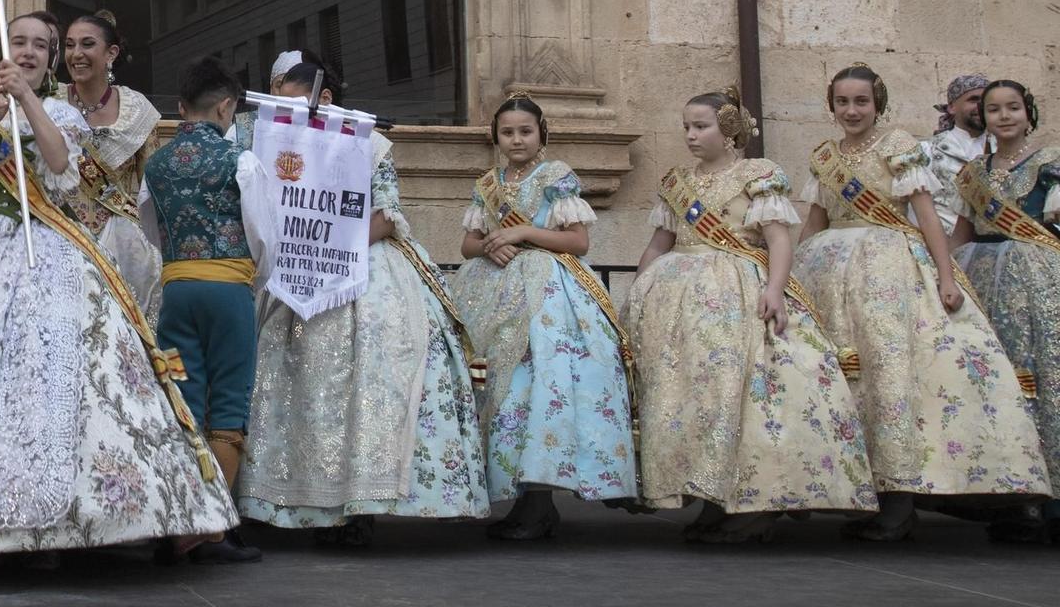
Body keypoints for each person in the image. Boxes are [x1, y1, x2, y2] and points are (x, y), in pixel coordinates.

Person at [0, 40, 234, 566]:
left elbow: (61, 169)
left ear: (50, 60)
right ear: (0, 51)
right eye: (18, 42)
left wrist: (27, 102)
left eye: (41, 44)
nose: (29, 51)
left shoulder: (59, 113)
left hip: (49, 255)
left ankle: (74, 523)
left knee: (55, 382)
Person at [238, 59, 489, 544]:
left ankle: (358, 509)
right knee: (296, 386)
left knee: (369, 385)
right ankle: (288, 501)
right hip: (296, 272)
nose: (289, 116)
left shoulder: (369, 143)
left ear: (324, 99)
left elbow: (387, 215)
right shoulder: (285, 144)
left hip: (366, 271)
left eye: (295, 105)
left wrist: (334, 247)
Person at [793, 64, 1047, 540]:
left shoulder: (900, 147)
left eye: (862, 102)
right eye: (843, 102)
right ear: (832, 106)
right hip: (828, 269)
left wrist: (947, 277)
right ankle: (860, 492)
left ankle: (899, 502)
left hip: (889, 268)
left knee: (890, 377)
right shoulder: (824, 156)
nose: (852, 110)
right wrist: (791, 279)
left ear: (878, 103)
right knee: (845, 381)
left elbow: (928, 218)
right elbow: (816, 220)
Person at [621, 87, 875, 543]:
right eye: (687, 127)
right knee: (689, 397)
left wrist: (776, 291)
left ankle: (755, 505)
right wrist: (638, 294)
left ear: (730, 130)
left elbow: (778, 239)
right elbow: (659, 244)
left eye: (701, 127)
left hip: (738, 294)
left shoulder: (757, 175)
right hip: (677, 301)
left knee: (741, 395)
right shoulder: (678, 181)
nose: (691, 136)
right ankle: (709, 496)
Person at [449, 93, 636, 540]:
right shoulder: (487, 183)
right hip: (493, 290)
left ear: (541, 134)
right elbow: (468, 246)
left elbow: (578, 242)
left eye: (525, 131)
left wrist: (526, 231)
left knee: (537, 387)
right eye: (508, 132)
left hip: (549, 296)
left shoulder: (556, 177)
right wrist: (494, 243)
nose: (516, 140)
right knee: (500, 389)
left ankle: (538, 502)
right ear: (496, 137)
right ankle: (521, 500)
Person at [138, 57, 270, 563]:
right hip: (229, 287)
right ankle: (213, 526)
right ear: (226, 106)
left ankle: (177, 519)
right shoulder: (241, 159)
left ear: (179, 108)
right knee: (230, 402)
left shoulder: (157, 164)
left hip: (177, 288)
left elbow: (151, 229)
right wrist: (251, 276)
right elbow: (263, 234)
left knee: (184, 400)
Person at [947, 79, 1060, 543]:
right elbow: (960, 232)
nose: (1004, 116)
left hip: (1036, 279)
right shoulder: (974, 172)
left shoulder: (1050, 164)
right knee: (998, 383)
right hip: (984, 277)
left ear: (1028, 113)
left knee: (1043, 377)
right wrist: (947, 278)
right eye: (994, 109)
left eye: (1013, 107)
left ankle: (1051, 500)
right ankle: (1011, 498)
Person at [59, 12, 163, 319]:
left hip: (124, 249)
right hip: (61, 239)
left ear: (111, 53)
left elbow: (152, 188)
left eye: (87, 44)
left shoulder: (138, 110)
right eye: (69, 45)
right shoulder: (47, 104)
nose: (76, 54)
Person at [927, 73, 990, 224]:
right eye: (973, 100)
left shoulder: (1003, 149)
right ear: (952, 107)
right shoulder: (928, 150)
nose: (981, 106)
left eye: (986, 100)